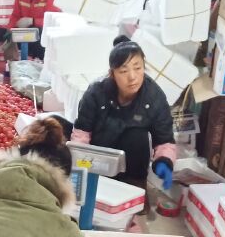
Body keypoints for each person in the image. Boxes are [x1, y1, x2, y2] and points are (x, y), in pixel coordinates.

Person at [72, 36, 176, 191]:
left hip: (132, 161)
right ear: (112, 73)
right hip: (98, 157)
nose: (132, 77)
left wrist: (164, 161)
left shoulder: (154, 97)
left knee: (137, 136)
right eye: (123, 70)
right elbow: (82, 134)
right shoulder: (96, 92)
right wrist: (79, 167)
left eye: (138, 68)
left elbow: (164, 140)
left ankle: (136, 187)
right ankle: (95, 184)